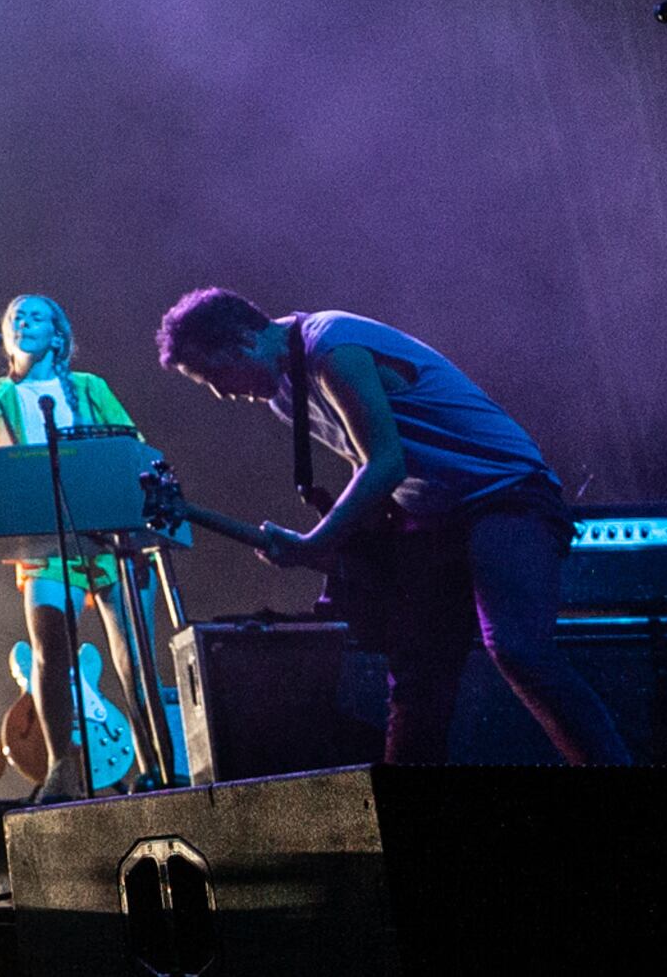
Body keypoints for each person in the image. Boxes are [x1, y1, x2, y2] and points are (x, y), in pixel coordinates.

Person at [158, 287, 630, 767]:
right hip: (434, 520)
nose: (220, 392)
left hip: (506, 496)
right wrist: (341, 552)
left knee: (516, 648)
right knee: (417, 677)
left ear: (243, 341)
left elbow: (385, 464)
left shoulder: (331, 348)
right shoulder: (285, 396)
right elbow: (372, 478)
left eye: (214, 375)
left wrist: (315, 542)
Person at [0, 293, 145, 798]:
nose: (23, 322)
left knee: (131, 650)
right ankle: (61, 764)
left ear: (58, 334)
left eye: (36, 316)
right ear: (4, 336)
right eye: (14, 317)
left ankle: (153, 762)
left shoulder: (89, 388)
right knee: (48, 649)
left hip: (107, 536)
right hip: (43, 544)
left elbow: (131, 442)